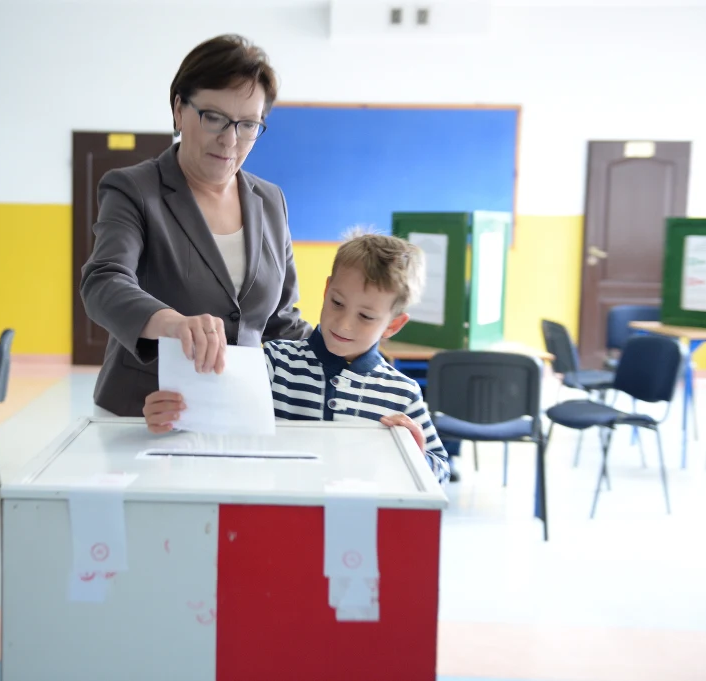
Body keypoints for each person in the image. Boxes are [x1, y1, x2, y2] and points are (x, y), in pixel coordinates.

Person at [80, 34, 311, 417]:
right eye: (214, 117)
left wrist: (367, 367)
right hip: (145, 413)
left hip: (240, 413)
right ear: (178, 110)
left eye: (248, 125)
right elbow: (103, 280)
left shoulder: (270, 201)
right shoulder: (134, 188)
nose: (230, 140)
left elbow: (282, 321)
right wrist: (171, 323)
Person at [144, 232, 451, 485]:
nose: (344, 323)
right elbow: (213, 435)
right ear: (327, 289)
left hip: (350, 533)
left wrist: (414, 453)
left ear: (393, 325)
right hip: (274, 520)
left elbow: (440, 471)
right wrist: (173, 421)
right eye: (337, 302)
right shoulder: (275, 364)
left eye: (366, 316)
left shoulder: (403, 393)